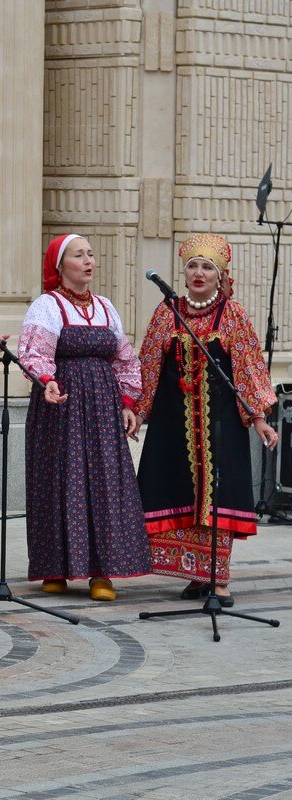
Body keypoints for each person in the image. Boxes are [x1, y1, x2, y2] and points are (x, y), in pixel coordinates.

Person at [135, 233, 278, 607]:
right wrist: (137, 410)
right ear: (184, 274)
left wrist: (259, 418)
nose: (199, 273)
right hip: (173, 424)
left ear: (221, 275)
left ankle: (218, 578)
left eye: (207, 267)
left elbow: (248, 368)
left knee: (218, 497)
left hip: (221, 426)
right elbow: (148, 365)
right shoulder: (167, 312)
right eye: (193, 266)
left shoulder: (232, 315)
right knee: (179, 493)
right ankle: (196, 574)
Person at [17, 234, 153, 601]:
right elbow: (34, 352)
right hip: (60, 405)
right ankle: (54, 568)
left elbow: (125, 357)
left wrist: (128, 402)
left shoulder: (106, 307)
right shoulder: (47, 305)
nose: (88, 261)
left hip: (102, 407)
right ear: (59, 265)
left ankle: (101, 572)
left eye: (90, 254)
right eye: (79, 255)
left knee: (104, 483)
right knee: (58, 480)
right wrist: (46, 380)